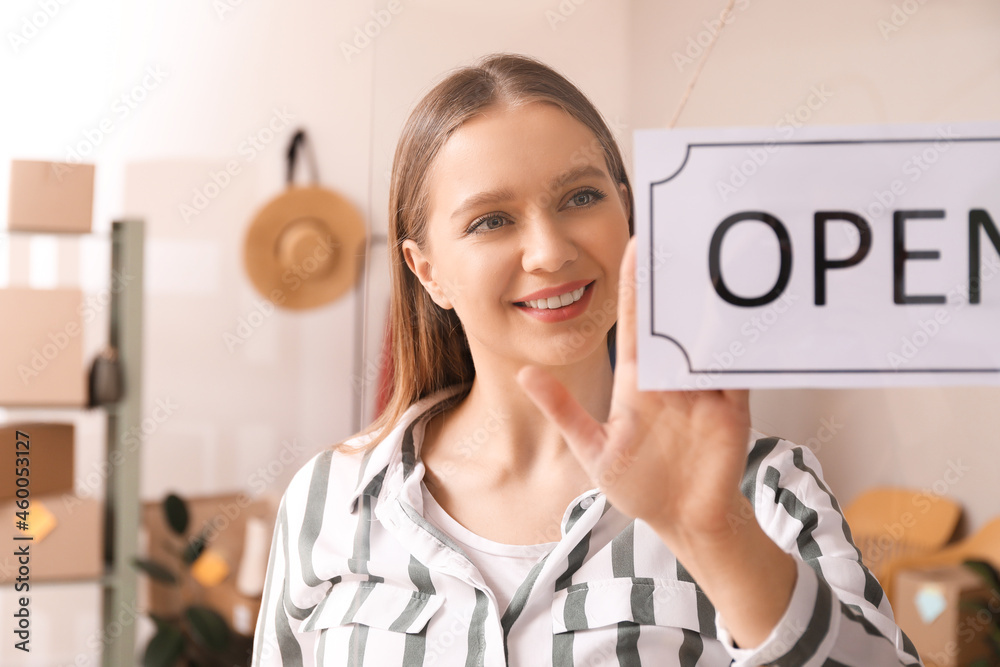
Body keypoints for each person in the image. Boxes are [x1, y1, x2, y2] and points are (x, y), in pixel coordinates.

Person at [252, 53, 923, 667]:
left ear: (627, 213)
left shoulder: (766, 490)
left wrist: (716, 535)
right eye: (491, 219)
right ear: (427, 271)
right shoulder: (328, 499)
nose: (549, 251)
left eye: (580, 197)